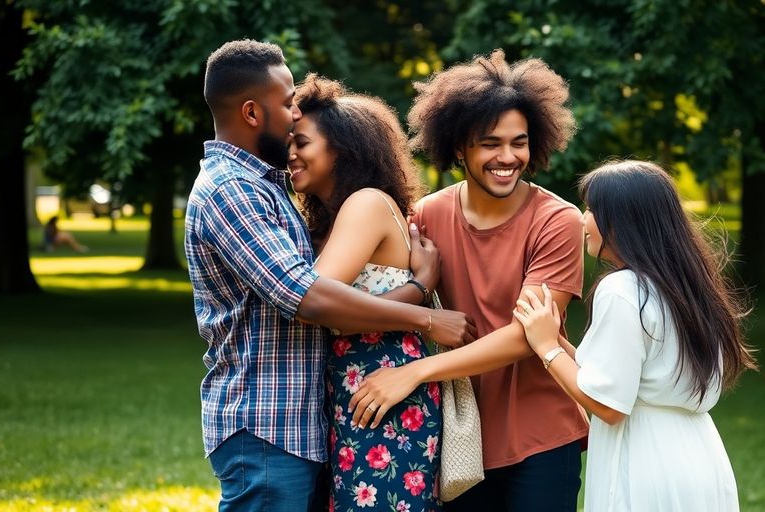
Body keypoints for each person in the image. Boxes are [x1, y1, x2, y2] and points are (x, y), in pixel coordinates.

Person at [185, 40, 473, 512]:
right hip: (267, 425)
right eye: (286, 103)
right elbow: (309, 298)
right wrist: (420, 300)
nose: (294, 113)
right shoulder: (231, 190)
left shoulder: (271, 190)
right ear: (253, 113)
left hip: (333, 417)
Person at [348, 50, 587, 511]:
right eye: (490, 143)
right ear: (459, 146)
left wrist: (413, 373)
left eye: (519, 142)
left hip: (541, 435)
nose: (507, 157)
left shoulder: (558, 220)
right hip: (458, 433)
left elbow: (525, 338)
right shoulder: (426, 215)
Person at [513, 160, 758, 511]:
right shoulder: (688, 285)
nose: (582, 220)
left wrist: (547, 348)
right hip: (700, 455)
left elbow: (609, 405)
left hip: (644, 460)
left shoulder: (622, 289)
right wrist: (556, 339)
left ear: (621, 220)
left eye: (592, 209)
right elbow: (623, 371)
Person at [288, 74, 443, 510]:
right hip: (355, 390)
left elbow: (313, 303)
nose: (291, 154)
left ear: (342, 148)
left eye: (301, 142)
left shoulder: (366, 203)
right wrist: (418, 288)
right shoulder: (338, 214)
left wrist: (419, 293)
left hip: (382, 391)